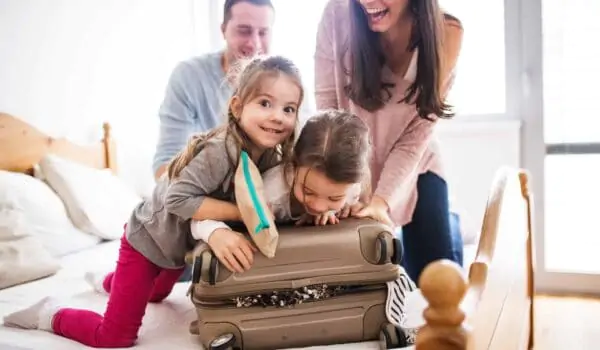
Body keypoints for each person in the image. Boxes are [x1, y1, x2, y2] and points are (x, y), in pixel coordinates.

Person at [2, 55, 303, 348]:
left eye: (289, 108)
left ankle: (109, 282)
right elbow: (178, 199)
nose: (278, 116)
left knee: (156, 296)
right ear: (237, 107)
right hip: (146, 240)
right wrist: (243, 212)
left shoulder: (270, 156)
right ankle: (50, 313)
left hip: (177, 246)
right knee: (114, 338)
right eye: (265, 103)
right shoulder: (220, 151)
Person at [314, 0, 465, 284]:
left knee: (437, 279)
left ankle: (450, 218)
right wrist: (346, 187)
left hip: (416, 166)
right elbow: (328, 111)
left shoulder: (447, 32)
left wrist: (381, 201)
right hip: (354, 165)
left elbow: (416, 137)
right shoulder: (339, 13)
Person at [152, 0, 275, 180]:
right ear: (223, 29)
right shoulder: (189, 77)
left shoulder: (288, 83)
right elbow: (166, 165)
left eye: (263, 32)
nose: (254, 44)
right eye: (244, 31)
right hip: (201, 193)